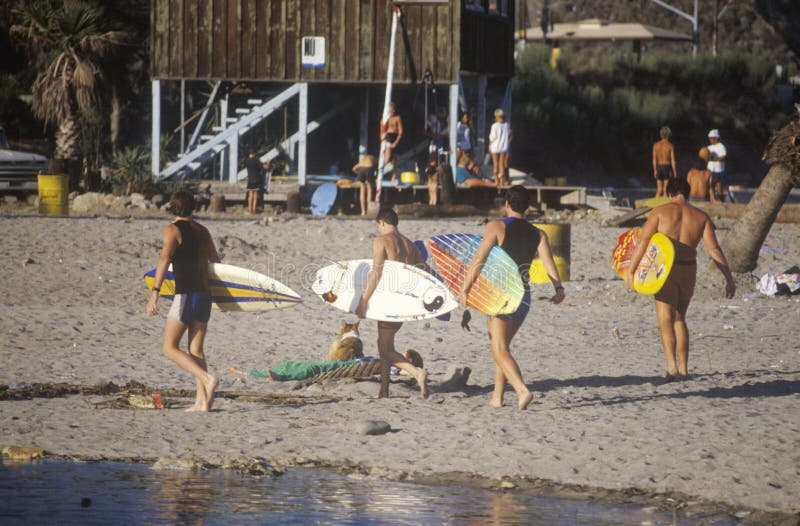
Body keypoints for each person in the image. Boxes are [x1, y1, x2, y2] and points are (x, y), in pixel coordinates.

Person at [459, 186, 565, 410]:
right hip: (524, 297)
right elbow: (549, 263)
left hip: (502, 294)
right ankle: (497, 398)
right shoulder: (539, 233)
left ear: (506, 204)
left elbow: (479, 259)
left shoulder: (496, 226)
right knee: (502, 346)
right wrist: (558, 288)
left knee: (499, 348)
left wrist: (465, 289)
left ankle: (521, 390)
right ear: (527, 207)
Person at [626, 178, 735, 382]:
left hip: (665, 270)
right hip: (688, 270)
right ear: (688, 193)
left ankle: (671, 368)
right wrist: (729, 278)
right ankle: (684, 370)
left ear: (669, 194)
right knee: (680, 318)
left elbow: (644, 241)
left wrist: (631, 272)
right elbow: (714, 249)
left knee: (665, 319)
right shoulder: (701, 217)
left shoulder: (659, 212)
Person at [147, 191, 221, 412]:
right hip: (205, 295)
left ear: (172, 208)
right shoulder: (203, 230)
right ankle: (202, 402)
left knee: (169, 347)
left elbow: (164, 260)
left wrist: (155, 292)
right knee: (195, 349)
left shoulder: (172, 230)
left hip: (186, 294)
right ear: (193, 208)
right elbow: (216, 262)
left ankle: (207, 379)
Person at [355, 207, 429, 399]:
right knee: (383, 345)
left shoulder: (382, 241)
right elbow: (425, 271)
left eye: (378, 225)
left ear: (381, 222)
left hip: (389, 302)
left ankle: (417, 373)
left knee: (386, 349)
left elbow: (376, 272)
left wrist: (363, 300)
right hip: (405, 303)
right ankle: (384, 390)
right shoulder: (410, 245)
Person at [489, 109, 511, 186]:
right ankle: (502, 181)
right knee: (501, 164)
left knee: (495, 164)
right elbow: (509, 135)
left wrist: (489, 144)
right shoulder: (507, 125)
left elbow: (492, 137)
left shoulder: (494, 126)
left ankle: (496, 181)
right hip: (503, 147)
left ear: (497, 116)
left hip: (495, 147)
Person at [383, 102, 403, 186]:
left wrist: (396, 142)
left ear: (393, 110)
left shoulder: (397, 118)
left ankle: (393, 179)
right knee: (387, 158)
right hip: (388, 137)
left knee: (395, 160)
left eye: (391, 110)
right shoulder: (385, 118)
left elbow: (401, 132)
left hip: (395, 137)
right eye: (388, 110)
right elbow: (382, 131)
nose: (390, 112)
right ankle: (378, 173)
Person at [652, 126, 676, 197]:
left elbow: (654, 160)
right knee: (666, 190)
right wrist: (675, 172)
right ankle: (665, 207)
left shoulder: (655, 145)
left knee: (659, 190)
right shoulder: (670, 146)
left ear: (661, 134)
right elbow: (673, 161)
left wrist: (655, 170)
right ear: (669, 134)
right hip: (667, 167)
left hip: (659, 167)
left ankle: (655, 207)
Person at [706, 129, 727, 202]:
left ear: (716, 138)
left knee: (719, 185)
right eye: (710, 138)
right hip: (710, 169)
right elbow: (705, 158)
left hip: (718, 170)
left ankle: (721, 200)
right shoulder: (709, 147)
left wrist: (714, 159)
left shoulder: (721, 146)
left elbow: (723, 157)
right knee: (710, 185)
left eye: (712, 138)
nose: (710, 139)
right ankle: (712, 199)